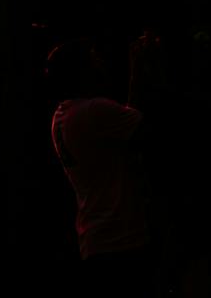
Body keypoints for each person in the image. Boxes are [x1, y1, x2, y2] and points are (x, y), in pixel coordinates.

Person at [45, 39, 156, 297]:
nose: (102, 64)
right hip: (123, 240)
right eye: (93, 59)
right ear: (82, 70)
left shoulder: (62, 118)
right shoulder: (94, 111)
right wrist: (139, 70)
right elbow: (144, 127)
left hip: (96, 241)